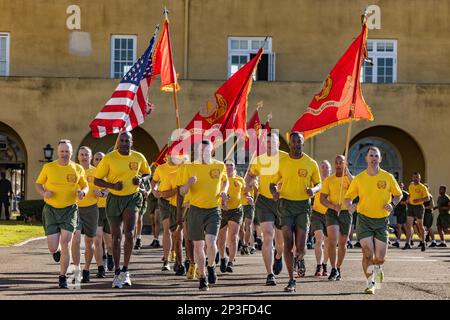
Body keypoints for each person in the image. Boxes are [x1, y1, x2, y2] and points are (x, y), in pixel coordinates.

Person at [94, 132, 151, 288]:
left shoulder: (139, 157)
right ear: (117, 142)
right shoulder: (109, 158)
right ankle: (117, 272)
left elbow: (147, 173)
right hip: (114, 199)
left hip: (133, 198)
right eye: (122, 140)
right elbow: (96, 180)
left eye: (128, 140)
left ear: (131, 142)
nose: (125, 143)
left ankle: (126, 270)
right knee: (116, 236)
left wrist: (141, 179)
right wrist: (112, 186)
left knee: (129, 233)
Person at [345, 146, 402, 294]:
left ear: (380, 159)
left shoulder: (388, 177)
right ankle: (370, 283)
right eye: (371, 156)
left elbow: (398, 194)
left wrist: (392, 204)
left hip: (382, 221)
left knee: (380, 258)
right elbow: (348, 197)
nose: (374, 158)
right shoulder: (359, 178)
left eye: (376, 156)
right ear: (366, 158)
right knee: (368, 254)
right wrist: (350, 206)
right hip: (364, 220)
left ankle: (378, 269)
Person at [270, 132, 321, 292]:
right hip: (285, 205)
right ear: (290, 144)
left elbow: (319, 183)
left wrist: (313, 190)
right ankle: (291, 280)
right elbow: (272, 183)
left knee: (300, 246)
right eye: (293, 142)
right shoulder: (283, 162)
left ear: (302, 143)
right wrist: (274, 192)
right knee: (288, 243)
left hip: (303, 207)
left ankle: (300, 257)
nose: (296, 145)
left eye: (298, 142)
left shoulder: (311, 163)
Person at [35, 139, 88, 288]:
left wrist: (83, 192)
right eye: (62, 151)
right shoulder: (48, 167)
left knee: (66, 243)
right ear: (58, 153)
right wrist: (44, 193)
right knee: (53, 247)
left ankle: (62, 277)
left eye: (67, 151)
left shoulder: (77, 168)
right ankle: (55, 251)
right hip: (51, 210)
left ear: (72, 153)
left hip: (70, 210)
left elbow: (85, 185)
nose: (64, 154)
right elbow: (38, 184)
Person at [176, 140, 228, 291]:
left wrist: (224, 191)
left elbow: (225, 182)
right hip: (195, 210)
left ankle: (211, 266)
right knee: (199, 246)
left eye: (206, 151)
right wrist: (188, 184)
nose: (203, 154)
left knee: (211, 243)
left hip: (213, 210)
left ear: (212, 152)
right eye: (201, 151)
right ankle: (203, 276)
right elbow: (181, 192)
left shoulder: (219, 166)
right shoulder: (189, 167)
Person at [245, 132, 287, 286]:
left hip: (281, 201)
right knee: (268, 235)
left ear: (278, 144)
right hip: (264, 201)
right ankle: (270, 274)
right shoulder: (259, 160)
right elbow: (251, 175)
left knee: (280, 241)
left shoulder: (286, 158)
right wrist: (248, 185)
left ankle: (278, 255)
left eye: (272, 143)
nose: (269, 145)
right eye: (267, 143)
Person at [321, 155, 353, 281]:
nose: (339, 165)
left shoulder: (350, 179)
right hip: (332, 212)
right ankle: (333, 268)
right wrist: (333, 206)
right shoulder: (329, 180)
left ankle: (339, 267)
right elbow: (322, 198)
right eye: (337, 163)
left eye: (341, 163)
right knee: (332, 241)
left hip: (346, 213)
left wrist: (348, 173)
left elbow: (357, 188)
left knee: (342, 243)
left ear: (345, 164)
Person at [71, 146, 101, 283]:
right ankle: (76, 270)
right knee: (76, 240)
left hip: (91, 209)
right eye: (81, 154)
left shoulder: (97, 172)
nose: (84, 157)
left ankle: (87, 269)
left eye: (86, 155)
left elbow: (104, 190)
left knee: (89, 241)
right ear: (78, 156)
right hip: (75, 208)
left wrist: (101, 193)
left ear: (90, 157)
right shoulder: (73, 170)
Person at [152, 154, 184, 274]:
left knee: (177, 234)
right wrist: (154, 190)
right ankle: (166, 260)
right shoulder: (161, 168)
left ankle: (178, 259)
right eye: (172, 154)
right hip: (164, 201)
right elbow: (154, 181)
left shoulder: (184, 166)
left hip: (179, 203)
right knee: (166, 230)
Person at [218, 159, 247, 273]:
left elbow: (245, 193)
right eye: (227, 165)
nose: (229, 167)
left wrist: (248, 197)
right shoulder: (220, 180)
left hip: (236, 210)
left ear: (234, 168)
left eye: (231, 165)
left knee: (233, 236)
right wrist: (223, 200)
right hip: (221, 210)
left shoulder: (240, 180)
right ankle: (222, 257)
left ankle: (230, 262)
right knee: (221, 237)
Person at [311, 160, 331, 277]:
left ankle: (325, 264)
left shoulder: (333, 181)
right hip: (317, 213)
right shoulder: (316, 182)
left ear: (330, 169)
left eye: (326, 167)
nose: (324, 169)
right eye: (322, 167)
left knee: (328, 242)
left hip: (329, 214)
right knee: (319, 238)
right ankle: (318, 265)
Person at [404, 172, 430, 251]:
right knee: (408, 225)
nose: (415, 179)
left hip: (419, 207)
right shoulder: (411, 185)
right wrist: (408, 199)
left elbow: (427, 198)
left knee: (420, 226)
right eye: (414, 177)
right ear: (412, 178)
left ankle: (423, 241)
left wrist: (419, 200)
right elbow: (410, 194)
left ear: (420, 178)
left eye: (417, 177)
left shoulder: (422, 187)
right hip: (411, 206)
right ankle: (408, 243)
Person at [240, 180, 258, 255]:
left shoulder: (254, 181)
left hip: (249, 206)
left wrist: (253, 185)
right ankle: (242, 243)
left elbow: (257, 191)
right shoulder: (240, 180)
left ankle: (246, 245)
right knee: (241, 227)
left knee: (248, 226)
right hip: (240, 205)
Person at [134, 177, 151, 250]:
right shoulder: (134, 175)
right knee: (134, 220)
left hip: (143, 200)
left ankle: (138, 238)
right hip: (134, 199)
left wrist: (148, 192)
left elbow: (150, 187)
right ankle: (133, 239)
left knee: (139, 218)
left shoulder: (145, 176)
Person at [392, 182, 408, 248]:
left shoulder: (405, 193)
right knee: (403, 227)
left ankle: (398, 241)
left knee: (399, 226)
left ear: (403, 186)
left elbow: (409, 201)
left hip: (403, 211)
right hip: (397, 211)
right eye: (399, 185)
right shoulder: (395, 193)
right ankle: (409, 240)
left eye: (401, 186)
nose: (400, 186)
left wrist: (403, 202)